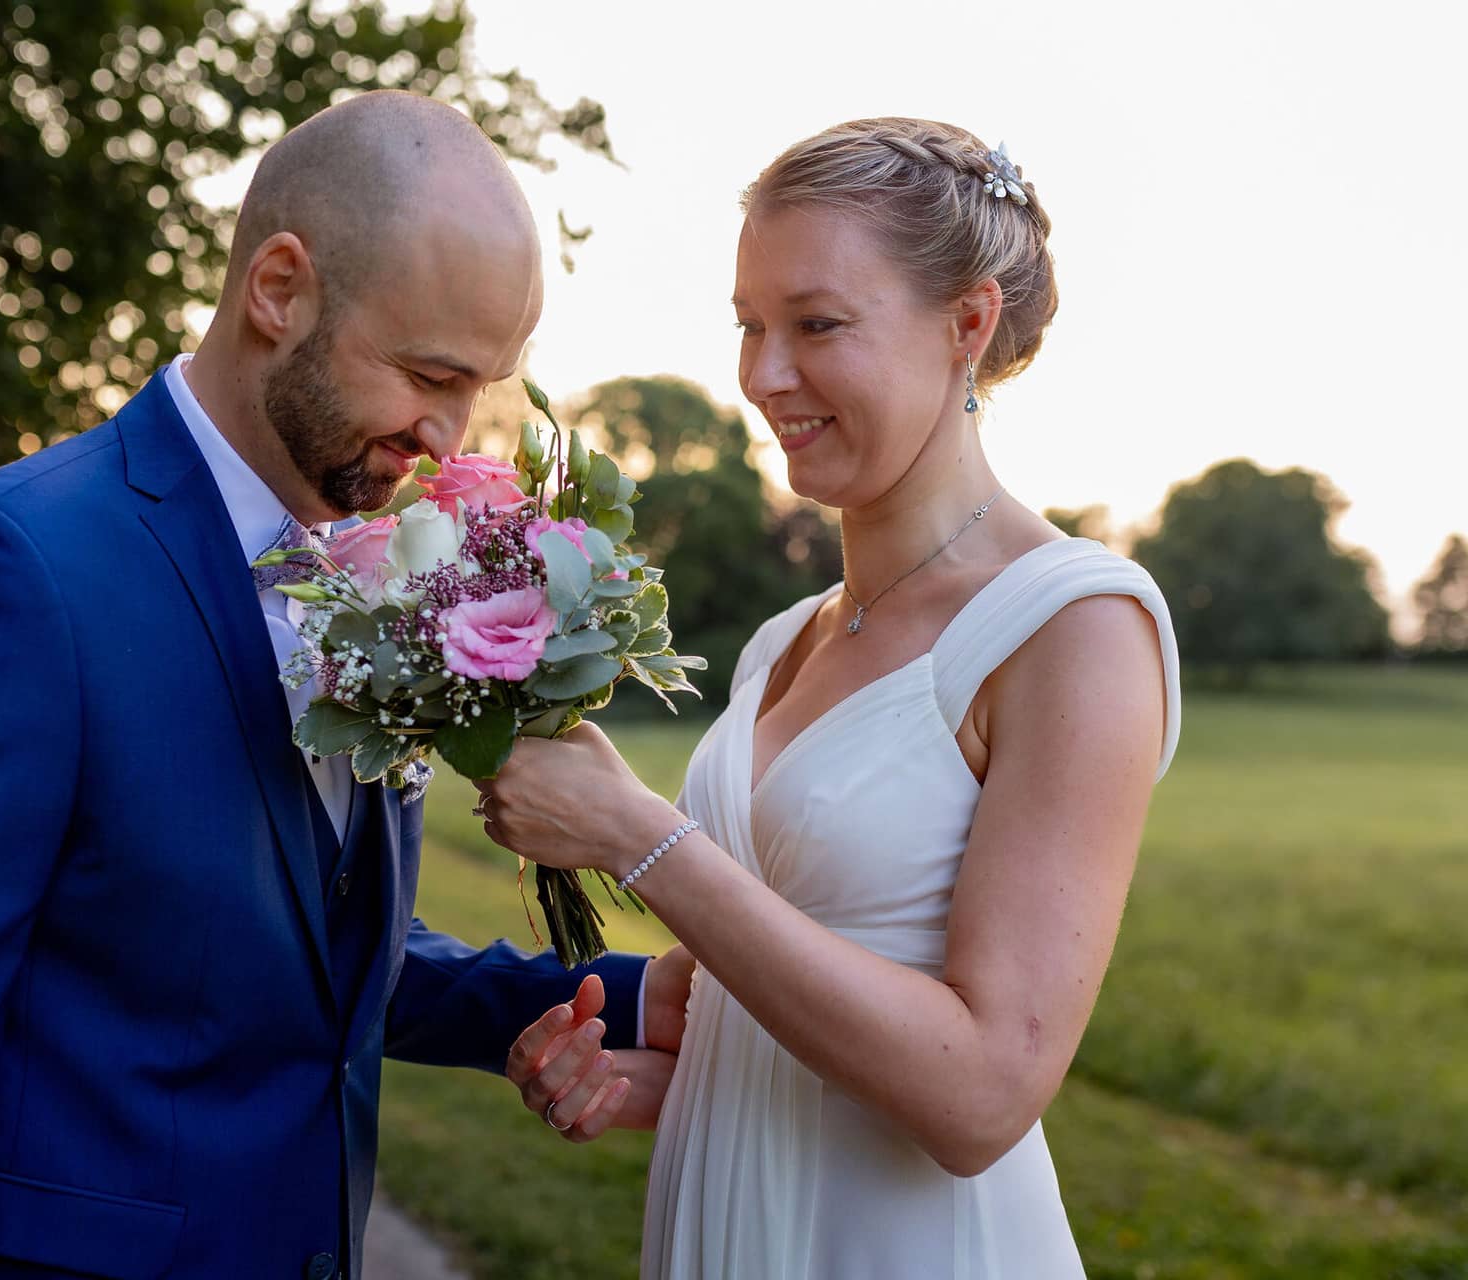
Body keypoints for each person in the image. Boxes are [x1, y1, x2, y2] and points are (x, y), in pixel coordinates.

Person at [0, 91, 690, 1280]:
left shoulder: (374, 574)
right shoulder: (5, 570)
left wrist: (613, 997)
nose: (449, 436)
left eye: (479, 389)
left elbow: (295, 942)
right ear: (278, 288)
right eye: (427, 372)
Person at [483, 117, 1181, 1277]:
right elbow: (774, 995)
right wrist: (656, 1080)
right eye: (750, 326)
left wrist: (640, 836)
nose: (764, 375)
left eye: (818, 324)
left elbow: (981, 1094)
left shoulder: (1075, 627)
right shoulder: (782, 640)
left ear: (968, 324)